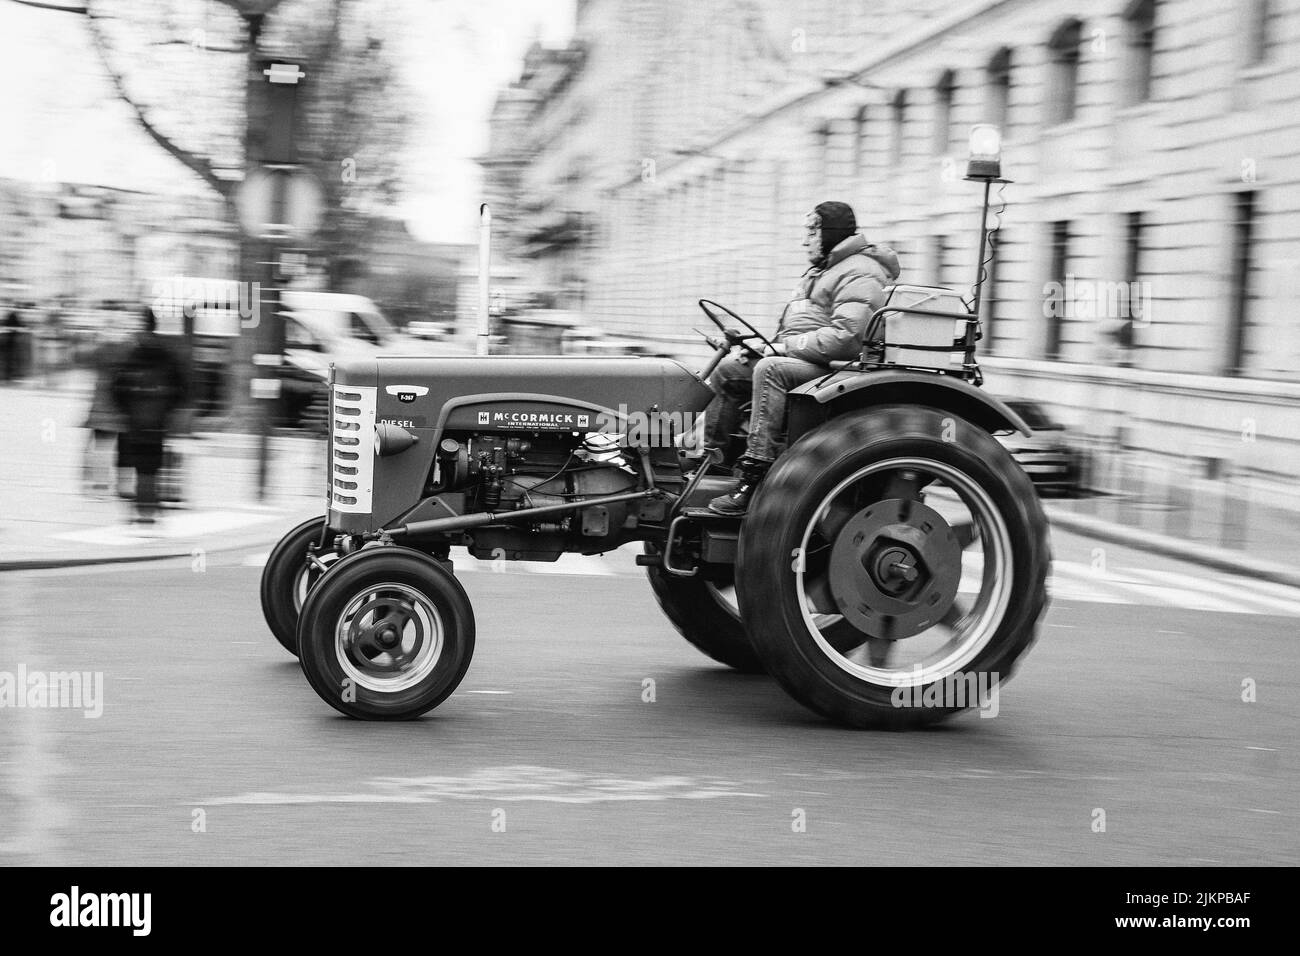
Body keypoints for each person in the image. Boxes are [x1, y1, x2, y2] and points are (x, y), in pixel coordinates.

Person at [705, 201, 900, 515]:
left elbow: (847, 338)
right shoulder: (821, 271)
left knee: (771, 370)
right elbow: (798, 327)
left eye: (812, 232)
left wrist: (785, 348)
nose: (804, 240)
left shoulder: (861, 271)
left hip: (835, 370)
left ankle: (753, 478)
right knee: (729, 370)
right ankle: (714, 465)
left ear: (831, 233)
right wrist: (762, 345)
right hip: (808, 358)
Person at [111, 307, 189, 524]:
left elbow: (116, 387)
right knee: (151, 465)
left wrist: (126, 410)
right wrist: (167, 409)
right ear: (155, 325)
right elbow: (181, 388)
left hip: (134, 421)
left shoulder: (130, 352)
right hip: (157, 420)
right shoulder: (166, 353)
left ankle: (139, 508)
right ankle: (148, 509)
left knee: (136, 465)